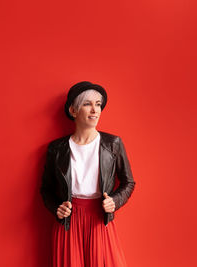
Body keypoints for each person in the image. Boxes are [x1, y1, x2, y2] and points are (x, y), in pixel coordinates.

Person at [40, 81, 136, 267]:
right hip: (69, 222)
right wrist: (56, 209)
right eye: (87, 104)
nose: (95, 110)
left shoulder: (113, 144)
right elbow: (46, 189)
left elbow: (128, 182)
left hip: (100, 219)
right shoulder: (57, 149)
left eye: (98, 104)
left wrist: (114, 201)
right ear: (73, 111)